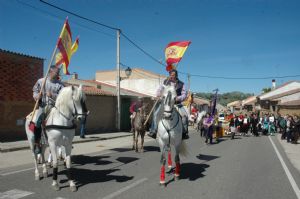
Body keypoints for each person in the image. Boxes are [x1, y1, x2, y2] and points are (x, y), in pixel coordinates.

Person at [32, 65, 64, 154]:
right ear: (50, 72)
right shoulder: (41, 81)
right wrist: (36, 96)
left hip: (56, 107)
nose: (58, 74)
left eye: (58, 72)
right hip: (43, 105)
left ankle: (65, 140)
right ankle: (37, 143)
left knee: (67, 120)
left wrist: (53, 95)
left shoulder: (60, 84)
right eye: (57, 72)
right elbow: (35, 91)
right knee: (37, 122)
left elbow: (63, 96)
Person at [148, 69, 187, 139]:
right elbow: (160, 89)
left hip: (176, 104)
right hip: (166, 104)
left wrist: (178, 98)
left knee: (185, 116)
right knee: (156, 114)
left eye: (173, 75)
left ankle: (184, 133)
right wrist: (158, 93)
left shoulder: (181, 84)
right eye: (170, 75)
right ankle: (153, 130)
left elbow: (184, 95)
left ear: (176, 75)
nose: (171, 76)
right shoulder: (166, 82)